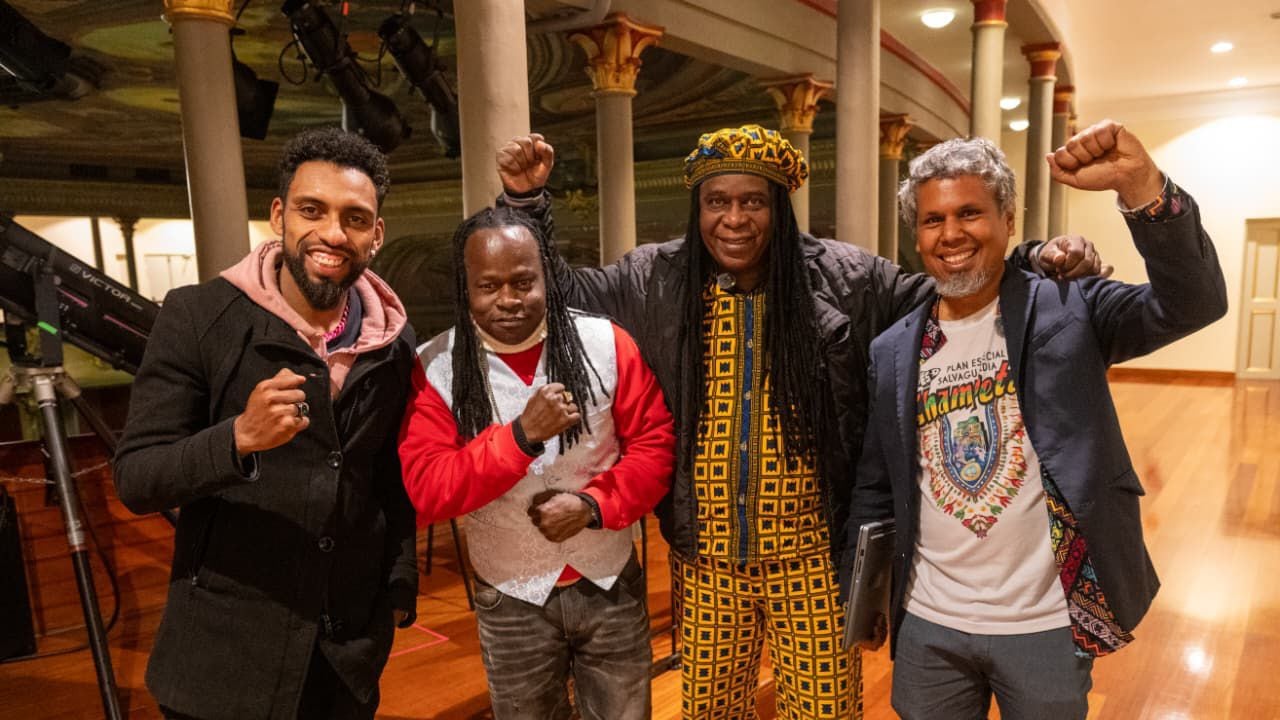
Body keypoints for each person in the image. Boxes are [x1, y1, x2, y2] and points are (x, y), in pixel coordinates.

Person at [495, 125, 1105, 720]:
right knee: (709, 709)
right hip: (704, 560)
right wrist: (525, 205)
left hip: (814, 559)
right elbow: (560, 295)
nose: (734, 219)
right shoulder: (654, 278)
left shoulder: (847, 277)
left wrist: (1031, 256)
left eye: (752, 201)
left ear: (779, 207)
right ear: (698, 207)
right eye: (716, 202)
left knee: (823, 710)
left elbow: (950, 283)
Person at [843, 120, 1227, 719]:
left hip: (1046, 620)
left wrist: (1143, 188)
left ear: (1009, 220)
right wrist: (864, 596)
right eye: (933, 220)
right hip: (928, 622)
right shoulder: (892, 348)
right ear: (916, 234)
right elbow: (877, 483)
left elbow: (1193, 302)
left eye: (969, 213)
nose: (951, 234)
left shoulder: (1069, 306)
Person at [113, 127, 419, 720]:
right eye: (312, 210)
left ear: (376, 235)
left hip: (344, 659)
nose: (333, 233)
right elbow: (137, 477)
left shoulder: (394, 340)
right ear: (279, 215)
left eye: (355, 218)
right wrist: (237, 439)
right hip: (225, 664)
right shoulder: (198, 316)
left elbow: (388, 470)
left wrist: (399, 582)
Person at [397, 206, 675, 719]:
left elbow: (655, 447)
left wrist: (593, 505)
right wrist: (521, 437)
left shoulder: (606, 344)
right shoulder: (436, 367)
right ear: (466, 289)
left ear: (547, 276)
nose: (508, 300)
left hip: (611, 582)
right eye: (488, 286)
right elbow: (429, 489)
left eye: (524, 281)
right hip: (509, 598)